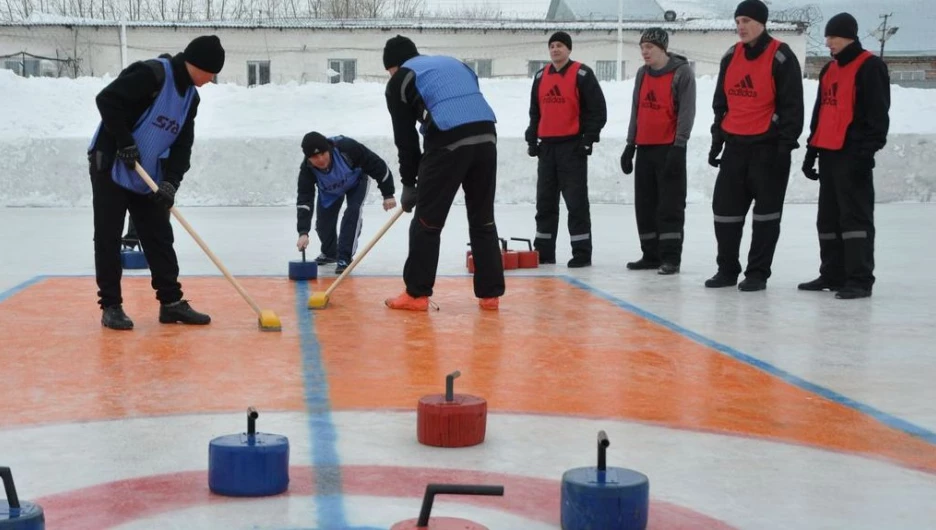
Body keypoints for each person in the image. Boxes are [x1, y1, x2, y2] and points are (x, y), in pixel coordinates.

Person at [87, 35, 225, 330]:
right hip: (110, 163)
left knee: (159, 234)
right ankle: (111, 306)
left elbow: (182, 146)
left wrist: (171, 183)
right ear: (197, 64)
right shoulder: (152, 74)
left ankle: (171, 303)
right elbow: (107, 100)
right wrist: (124, 141)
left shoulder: (191, 98)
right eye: (211, 72)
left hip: (146, 171)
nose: (211, 79)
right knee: (109, 235)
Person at [381, 35, 505, 311]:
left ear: (393, 65)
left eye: (389, 70)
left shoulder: (399, 79)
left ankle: (416, 294)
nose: (390, 76)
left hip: (448, 137)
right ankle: (490, 294)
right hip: (487, 136)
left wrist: (409, 183)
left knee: (427, 221)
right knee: (483, 218)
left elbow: (406, 139)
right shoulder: (454, 64)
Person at [706, 0, 804, 291]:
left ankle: (757, 273)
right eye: (737, 21)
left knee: (765, 217)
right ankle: (726, 270)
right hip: (735, 147)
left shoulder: (781, 56)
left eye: (746, 21)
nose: (741, 27)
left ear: (762, 22)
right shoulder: (730, 56)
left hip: (768, 149)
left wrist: (785, 145)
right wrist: (716, 140)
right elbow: (720, 103)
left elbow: (792, 105)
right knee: (725, 212)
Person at [799, 13, 890, 299]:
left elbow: (878, 113)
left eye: (833, 37)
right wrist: (811, 150)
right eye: (827, 37)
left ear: (849, 36)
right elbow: (821, 112)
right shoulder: (829, 69)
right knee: (828, 219)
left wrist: (867, 151)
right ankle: (832, 273)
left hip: (853, 155)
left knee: (855, 220)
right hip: (828, 152)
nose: (828, 43)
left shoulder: (870, 66)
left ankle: (860, 279)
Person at [525, 31, 608, 268]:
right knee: (545, 202)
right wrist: (533, 138)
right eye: (552, 46)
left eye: (560, 45)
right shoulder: (541, 76)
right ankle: (544, 251)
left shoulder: (582, 74)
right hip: (547, 149)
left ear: (569, 50)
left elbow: (597, 111)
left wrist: (588, 139)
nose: (555, 50)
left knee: (576, 203)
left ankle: (581, 252)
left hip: (572, 148)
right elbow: (535, 112)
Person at [620, 27, 696, 275]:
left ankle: (671, 258)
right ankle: (650, 254)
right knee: (645, 204)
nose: (645, 52)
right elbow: (635, 110)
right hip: (645, 148)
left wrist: (679, 145)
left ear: (662, 48)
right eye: (642, 47)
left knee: (669, 205)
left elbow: (686, 112)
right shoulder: (643, 74)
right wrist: (630, 145)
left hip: (669, 149)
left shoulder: (681, 73)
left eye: (649, 47)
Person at [295, 132, 398, 274]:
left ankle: (345, 257)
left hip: (356, 182)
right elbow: (304, 200)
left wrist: (388, 194)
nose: (320, 160)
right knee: (323, 224)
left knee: (352, 212)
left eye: (323, 154)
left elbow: (377, 165)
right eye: (314, 157)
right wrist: (303, 232)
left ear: (329, 149)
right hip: (330, 192)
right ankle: (330, 253)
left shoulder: (347, 148)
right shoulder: (307, 170)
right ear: (308, 158)